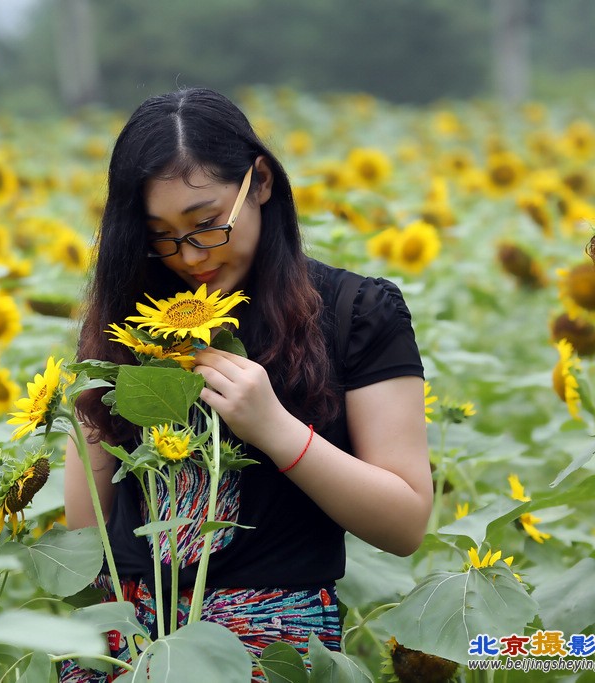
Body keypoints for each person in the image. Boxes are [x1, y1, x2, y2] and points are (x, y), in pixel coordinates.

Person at [62, 87, 432, 681]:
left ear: (259, 183)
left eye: (206, 224)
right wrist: (96, 393)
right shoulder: (134, 321)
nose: (187, 256)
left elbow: (405, 522)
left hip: (271, 645)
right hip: (123, 645)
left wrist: (276, 430)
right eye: (159, 234)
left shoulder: (354, 311)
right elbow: (85, 534)